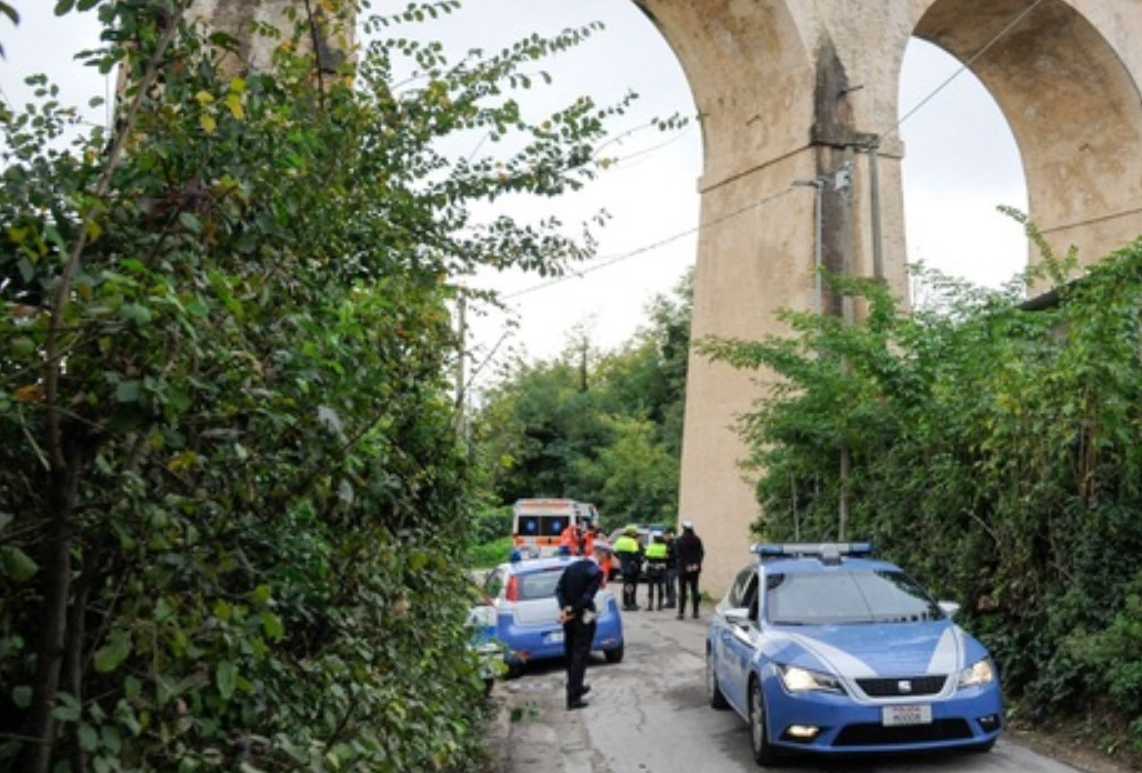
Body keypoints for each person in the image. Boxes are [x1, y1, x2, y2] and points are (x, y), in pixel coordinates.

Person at [555, 540, 612, 710]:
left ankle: (575, 687)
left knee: (570, 652)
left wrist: (565, 608)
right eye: (606, 556)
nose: (605, 560)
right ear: (600, 554)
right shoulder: (596, 572)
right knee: (581, 654)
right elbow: (588, 596)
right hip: (584, 616)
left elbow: (559, 589)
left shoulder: (573, 567)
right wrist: (574, 609)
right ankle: (573, 697)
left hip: (569, 617)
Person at [675, 520, 705, 620]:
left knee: (683, 591)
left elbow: (679, 555)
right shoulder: (697, 539)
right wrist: (696, 564)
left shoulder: (679, 540)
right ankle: (695, 612)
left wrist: (686, 565)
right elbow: (701, 553)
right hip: (695, 570)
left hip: (683, 570)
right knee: (694, 590)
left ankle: (681, 613)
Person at [613, 524, 643, 611]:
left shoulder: (619, 540)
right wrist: (639, 561)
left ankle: (626, 603)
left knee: (626, 584)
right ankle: (631, 603)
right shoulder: (631, 541)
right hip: (632, 566)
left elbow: (615, 552)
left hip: (624, 566)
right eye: (635, 532)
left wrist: (622, 560)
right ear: (631, 532)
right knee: (632, 585)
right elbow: (636, 555)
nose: (635, 533)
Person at [643, 530, 668, 610]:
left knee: (651, 586)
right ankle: (659, 605)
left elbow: (646, 556)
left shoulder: (650, 546)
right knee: (660, 586)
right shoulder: (664, 546)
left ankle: (650, 605)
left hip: (651, 567)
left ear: (654, 538)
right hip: (661, 568)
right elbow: (666, 556)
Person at [663, 530, 678, 609]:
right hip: (667, 566)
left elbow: (676, 555)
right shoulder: (665, 544)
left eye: (665, 535)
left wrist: (668, 556)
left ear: (669, 536)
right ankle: (669, 601)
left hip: (673, 567)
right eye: (664, 536)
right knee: (667, 585)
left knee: (670, 584)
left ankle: (672, 602)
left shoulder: (673, 544)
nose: (664, 537)